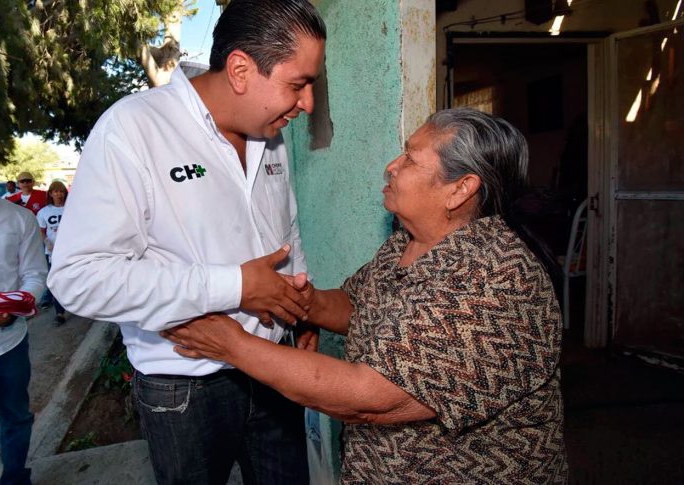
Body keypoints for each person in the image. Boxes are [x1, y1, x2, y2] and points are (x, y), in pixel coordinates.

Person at [165, 109, 569, 484]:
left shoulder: (497, 281)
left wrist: (232, 344)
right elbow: (359, 306)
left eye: (410, 158)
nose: (392, 166)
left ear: (460, 189)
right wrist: (301, 303)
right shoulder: (407, 244)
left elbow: (369, 397)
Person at [48, 0, 326, 484]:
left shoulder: (272, 136)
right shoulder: (133, 130)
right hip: (185, 388)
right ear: (240, 69)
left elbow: (286, 231)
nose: (306, 103)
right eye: (297, 84)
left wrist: (300, 310)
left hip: (277, 364)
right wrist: (234, 286)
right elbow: (76, 279)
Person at [0, 142, 48, 485]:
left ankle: (15, 477)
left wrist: (13, 309)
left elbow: (35, 275)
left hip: (6, 341)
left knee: (14, 415)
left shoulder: (18, 220)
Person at [37, 181, 68, 324]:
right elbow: (41, 231)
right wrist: (47, 242)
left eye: (61, 191)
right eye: (55, 191)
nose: (59, 194)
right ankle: (59, 312)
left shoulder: (72, 208)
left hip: (71, 251)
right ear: (50, 193)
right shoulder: (44, 212)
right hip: (53, 253)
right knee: (56, 282)